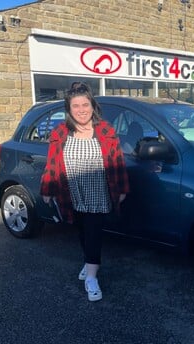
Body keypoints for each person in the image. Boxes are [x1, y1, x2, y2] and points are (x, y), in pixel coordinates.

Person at [40, 82, 129, 302]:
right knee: (82, 231)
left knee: (93, 232)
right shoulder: (60, 132)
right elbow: (52, 164)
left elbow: (118, 162)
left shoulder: (105, 130)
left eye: (85, 104)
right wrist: (48, 188)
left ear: (92, 105)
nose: (81, 109)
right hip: (71, 192)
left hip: (99, 192)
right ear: (69, 109)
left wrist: (122, 188)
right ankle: (89, 262)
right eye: (76, 105)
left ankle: (91, 277)